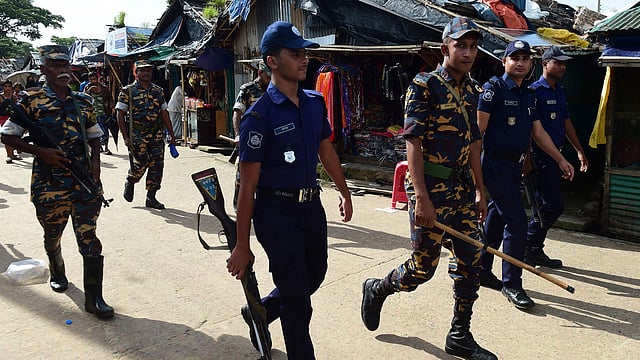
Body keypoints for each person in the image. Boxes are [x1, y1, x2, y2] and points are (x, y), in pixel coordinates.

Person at [360, 17, 496, 360]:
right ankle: (379, 288)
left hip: (462, 189)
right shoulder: (423, 86)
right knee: (423, 268)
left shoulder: (474, 91)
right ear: (444, 48)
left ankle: (460, 335)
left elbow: (475, 145)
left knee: (472, 260)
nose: (467, 53)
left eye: (472, 46)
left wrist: (481, 189)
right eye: (460, 45)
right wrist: (420, 197)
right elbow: (413, 144)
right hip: (430, 190)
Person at [226, 21, 353, 359]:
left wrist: (344, 190)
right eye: (295, 53)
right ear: (272, 61)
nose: (304, 59)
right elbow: (247, 185)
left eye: (305, 52)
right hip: (276, 213)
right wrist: (242, 244)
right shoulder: (259, 116)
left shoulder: (314, 102)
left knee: (315, 275)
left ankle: (263, 309)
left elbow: (326, 149)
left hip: (311, 208)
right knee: (299, 304)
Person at [0, 45, 114, 319]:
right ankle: (57, 268)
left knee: (89, 237)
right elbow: (8, 136)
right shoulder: (30, 101)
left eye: (65, 65)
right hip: (49, 184)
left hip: (83, 180)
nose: (63, 70)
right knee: (53, 234)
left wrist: (95, 168)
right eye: (56, 65)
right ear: (43, 70)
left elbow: (95, 136)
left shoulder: (83, 101)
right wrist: (42, 153)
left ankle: (94, 298)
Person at [477, 40, 575, 309]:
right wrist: (472, 175)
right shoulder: (492, 90)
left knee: (497, 216)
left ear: (532, 64)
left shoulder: (529, 95)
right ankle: (512, 284)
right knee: (518, 222)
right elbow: (478, 132)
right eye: (514, 57)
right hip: (494, 165)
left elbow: (539, 133)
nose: (520, 62)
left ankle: (482, 269)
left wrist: (561, 159)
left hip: (515, 167)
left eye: (525, 58)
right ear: (504, 62)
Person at [524, 46, 589, 268]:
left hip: (556, 154)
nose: (562, 66)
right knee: (552, 205)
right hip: (539, 156)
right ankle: (528, 244)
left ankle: (532, 247)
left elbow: (566, 121)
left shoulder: (559, 91)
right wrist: (527, 158)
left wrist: (579, 150)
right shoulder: (533, 91)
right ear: (545, 64)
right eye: (558, 62)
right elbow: (531, 130)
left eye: (564, 63)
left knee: (548, 204)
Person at [115, 59, 176, 210]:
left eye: (148, 70)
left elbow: (164, 112)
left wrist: (172, 134)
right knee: (141, 162)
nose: (145, 73)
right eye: (142, 70)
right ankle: (131, 180)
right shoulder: (127, 91)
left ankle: (151, 197)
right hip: (137, 135)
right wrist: (125, 136)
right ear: (136, 73)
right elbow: (120, 114)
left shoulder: (158, 91)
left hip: (157, 135)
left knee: (157, 165)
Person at [231, 59, 271, 209]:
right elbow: (237, 113)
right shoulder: (247, 89)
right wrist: (238, 134)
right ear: (260, 73)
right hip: (250, 140)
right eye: (268, 76)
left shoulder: (276, 89)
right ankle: (239, 206)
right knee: (243, 176)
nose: (270, 80)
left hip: (269, 140)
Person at [85, 71, 114, 155]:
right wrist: (89, 91)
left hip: (103, 112)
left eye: (94, 79)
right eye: (91, 80)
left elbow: (110, 98)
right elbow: (84, 98)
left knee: (105, 130)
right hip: (93, 114)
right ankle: (100, 147)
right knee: (96, 132)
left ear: (97, 78)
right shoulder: (87, 88)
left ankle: (106, 147)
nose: (93, 81)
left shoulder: (104, 88)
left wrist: (111, 106)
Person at [0, 79, 21, 164]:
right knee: (7, 136)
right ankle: (9, 155)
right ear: (2, 87)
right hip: (3, 118)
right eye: (5, 86)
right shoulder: (0, 97)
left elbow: (16, 108)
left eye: (9, 86)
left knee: (14, 136)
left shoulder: (14, 97)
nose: (8, 88)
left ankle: (12, 154)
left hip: (13, 117)